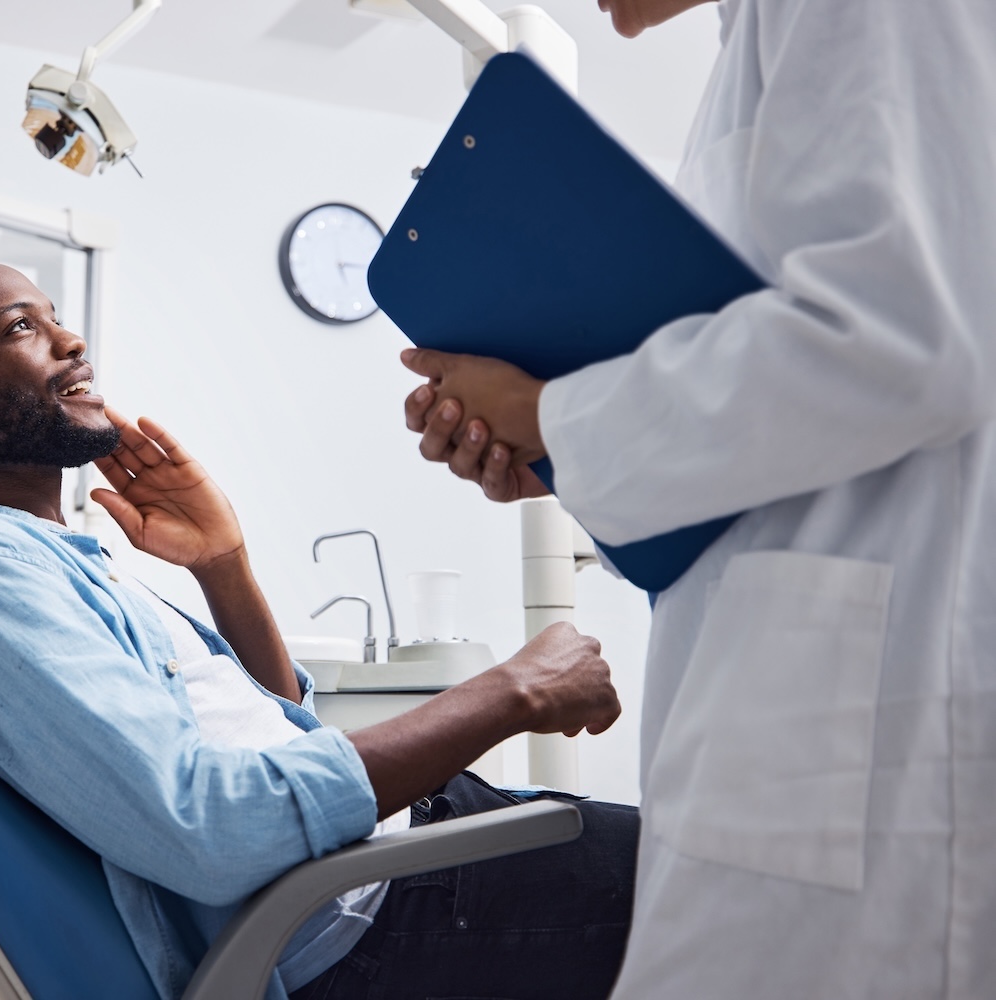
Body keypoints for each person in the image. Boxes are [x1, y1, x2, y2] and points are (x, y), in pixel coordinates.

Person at [402, 0, 996, 997]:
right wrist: (555, 446)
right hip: (790, 694)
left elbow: (906, 332)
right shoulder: (758, 48)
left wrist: (560, 416)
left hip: (862, 715)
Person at [0, 261, 639, 1000]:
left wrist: (224, 566)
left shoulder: (45, 559)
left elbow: (275, 734)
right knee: (741, 885)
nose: (71, 339)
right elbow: (213, 827)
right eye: (21, 327)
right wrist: (512, 691)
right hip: (378, 917)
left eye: (55, 317)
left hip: (398, 863)